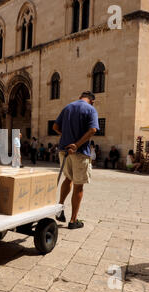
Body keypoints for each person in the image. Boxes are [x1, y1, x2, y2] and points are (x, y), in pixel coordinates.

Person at [53, 91, 99, 230]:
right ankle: (73, 220)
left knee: (68, 178)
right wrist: (77, 144)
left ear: (80, 97)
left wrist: (66, 135)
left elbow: (55, 127)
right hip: (79, 152)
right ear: (92, 101)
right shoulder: (91, 109)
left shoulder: (67, 107)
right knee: (78, 185)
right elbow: (93, 130)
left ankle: (60, 208)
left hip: (64, 150)